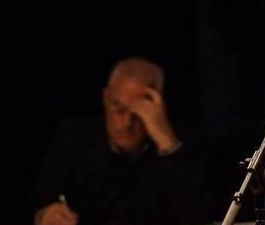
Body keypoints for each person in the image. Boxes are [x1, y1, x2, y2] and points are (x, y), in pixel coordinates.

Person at [25, 57, 209, 225]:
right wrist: (44, 216)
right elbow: (37, 201)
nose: (127, 123)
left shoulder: (182, 146)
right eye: (119, 108)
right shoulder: (74, 137)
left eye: (139, 113)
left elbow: (197, 214)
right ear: (106, 98)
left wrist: (166, 141)